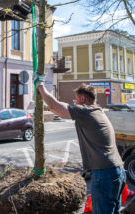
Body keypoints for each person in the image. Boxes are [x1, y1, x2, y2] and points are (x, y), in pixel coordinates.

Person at [36, 80, 125, 214]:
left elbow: (54, 105)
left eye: (76, 100)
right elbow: (55, 108)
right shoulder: (98, 111)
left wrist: (40, 85)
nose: (75, 103)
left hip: (104, 174)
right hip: (118, 171)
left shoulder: (86, 112)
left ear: (83, 99)